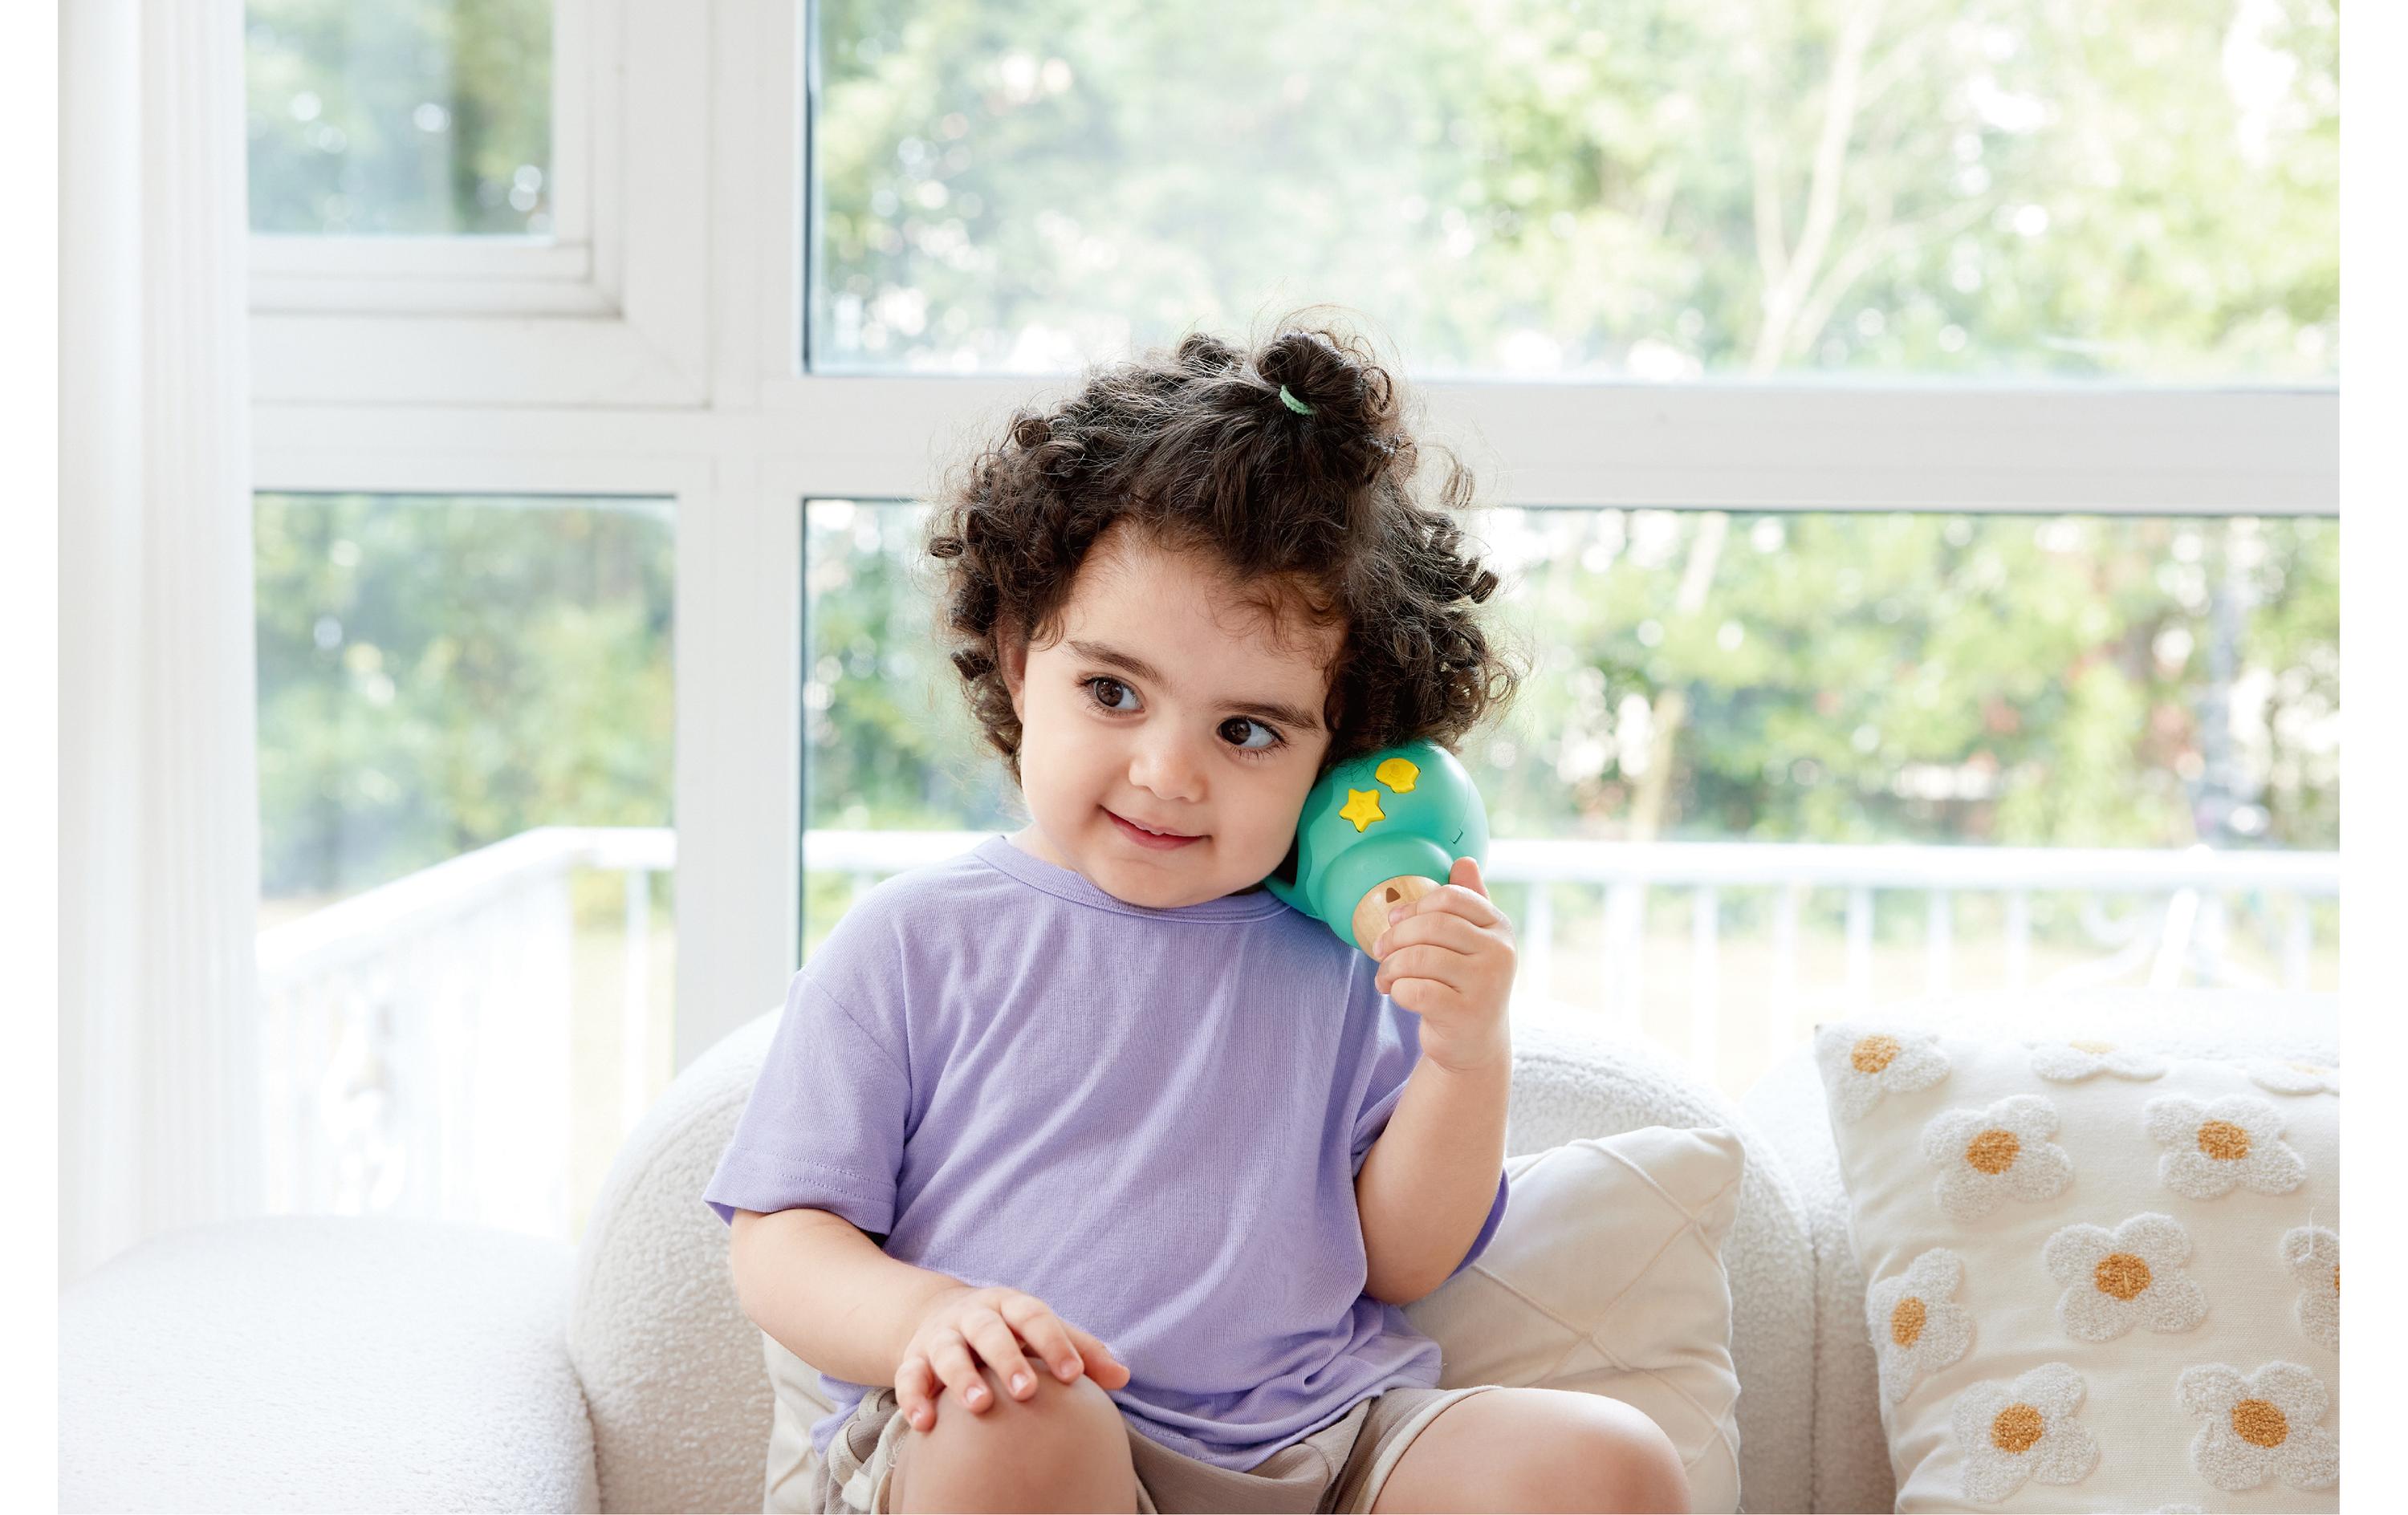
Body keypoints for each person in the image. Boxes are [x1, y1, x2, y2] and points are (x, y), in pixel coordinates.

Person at [706, 314, 1690, 1514]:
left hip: (1318, 1446)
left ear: (1342, 751)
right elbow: (781, 1237)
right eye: (1113, 691)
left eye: (1248, 730)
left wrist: (1464, 1048)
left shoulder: (1342, 959)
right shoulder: (911, 941)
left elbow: (1402, 1258)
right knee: (1020, 1417)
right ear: (1019, 658)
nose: (1171, 774)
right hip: (1011, 1445)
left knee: (1607, 1462)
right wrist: (931, 1315)